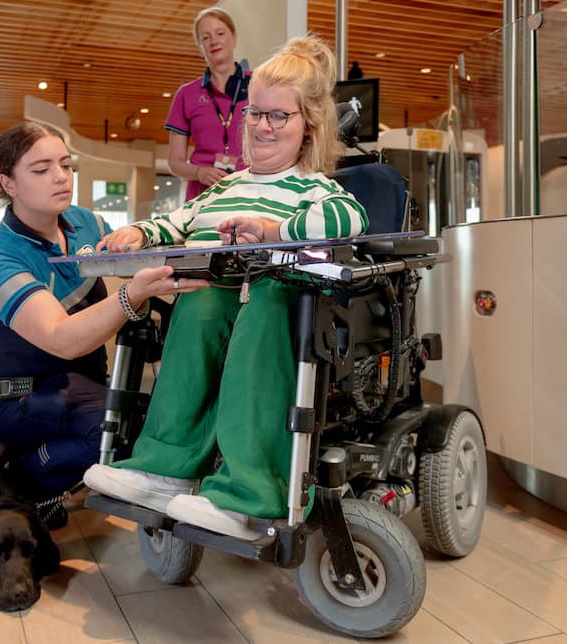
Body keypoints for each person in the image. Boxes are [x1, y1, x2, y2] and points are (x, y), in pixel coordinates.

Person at [85, 36, 369, 541]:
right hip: (218, 300)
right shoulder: (224, 187)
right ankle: (163, 468)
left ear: (309, 127)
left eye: (279, 116)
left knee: (261, 303)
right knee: (199, 297)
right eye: (256, 113)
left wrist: (272, 229)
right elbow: (176, 222)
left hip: (279, 304)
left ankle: (248, 491)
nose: (263, 126)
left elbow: (350, 219)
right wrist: (137, 233)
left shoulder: (316, 188)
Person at [0, 121, 206, 502]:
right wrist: (131, 296)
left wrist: (140, 239)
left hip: (84, 384)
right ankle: (25, 474)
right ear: (8, 183)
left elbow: (135, 261)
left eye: (66, 164)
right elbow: (61, 338)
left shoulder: (84, 223)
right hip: (16, 398)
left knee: (154, 421)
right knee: (116, 432)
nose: (61, 177)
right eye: (41, 170)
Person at [165, 7, 250, 202]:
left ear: (234, 37)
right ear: (200, 46)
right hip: (202, 197)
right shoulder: (186, 94)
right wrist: (198, 172)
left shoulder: (260, 85)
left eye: (220, 33)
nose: (214, 41)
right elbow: (174, 162)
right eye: (205, 37)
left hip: (249, 191)